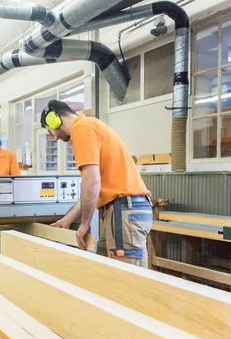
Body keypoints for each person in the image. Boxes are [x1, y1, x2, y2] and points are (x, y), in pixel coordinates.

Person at [40, 100, 152, 268]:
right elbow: (91, 189)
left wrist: (85, 223)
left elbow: (91, 181)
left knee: (126, 278)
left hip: (124, 209)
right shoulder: (88, 126)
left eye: (51, 131)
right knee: (105, 269)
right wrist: (68, 220)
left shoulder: (82, 128)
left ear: (54, 120)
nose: (54, 137)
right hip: (120, 209)